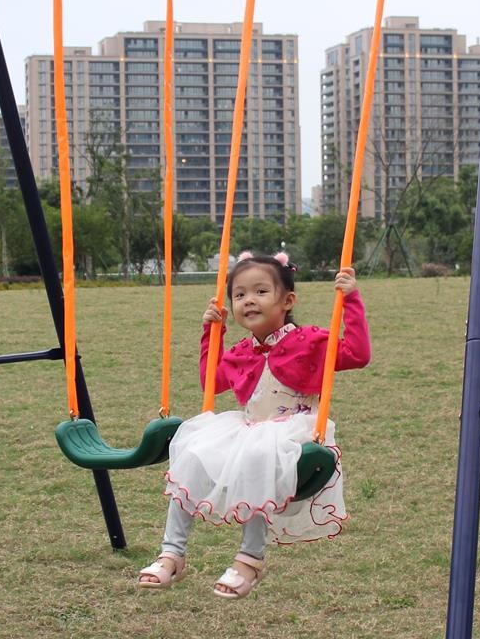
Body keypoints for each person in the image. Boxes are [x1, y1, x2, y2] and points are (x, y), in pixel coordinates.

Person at [138, 250, 371, 598]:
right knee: (193, 453)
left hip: (294, 432)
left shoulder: (310, 341)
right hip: (248, 428)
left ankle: (250, 559)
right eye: (240, 294)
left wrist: (351, 299)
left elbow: (358, 354)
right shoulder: (240, 350)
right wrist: (210, 333)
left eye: (261, 292)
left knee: (258, 458)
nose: (249, 300)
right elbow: (210, 383)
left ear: (287, 300)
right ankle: (172, 552)